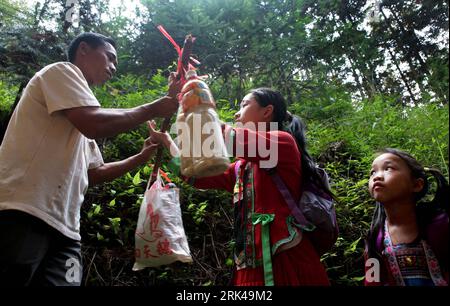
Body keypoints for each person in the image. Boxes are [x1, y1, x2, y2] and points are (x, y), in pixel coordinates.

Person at [0, 32, 182, 286]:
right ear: (83, 49)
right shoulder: (61, 72)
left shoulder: (80, 116)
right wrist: (152, 108)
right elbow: (94, 123)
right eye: (109, 57)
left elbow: (96, 172)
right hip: (25, 212)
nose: (113, 66)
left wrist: (141, 157)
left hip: (67, 232)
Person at [149, 87, 331, 286]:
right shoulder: (241, 167)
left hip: (285, 257)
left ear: (266, 111)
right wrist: (168, 141)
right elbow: (195, 174)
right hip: (250, 264)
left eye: (244, 105)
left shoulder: (283, 143)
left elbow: (225, 138)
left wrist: (195, 100)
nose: (237, 112)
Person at [364, 148, 449, 286]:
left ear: (416, 184)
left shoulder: (440, 224)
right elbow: (371, 280)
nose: (377, 176)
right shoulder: (375, 238)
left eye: (388, 168)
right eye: (373, 172)